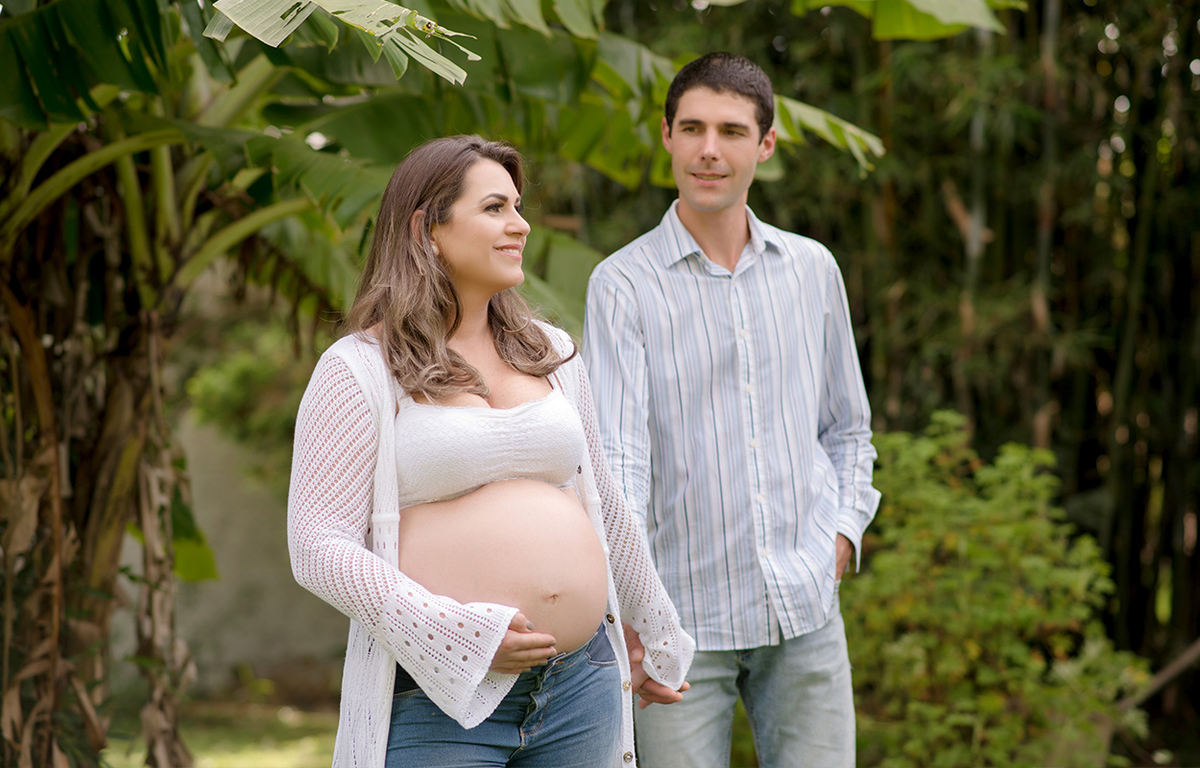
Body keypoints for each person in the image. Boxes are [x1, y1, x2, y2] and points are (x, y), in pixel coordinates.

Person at [288, 135, 694, 768]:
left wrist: (651, 627)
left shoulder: (552, 352)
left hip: (580, 686)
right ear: (427, 228)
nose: (521, 225)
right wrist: (456, 637)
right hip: (440, 697)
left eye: (518, 206)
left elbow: (603, 499)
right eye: (495, 208)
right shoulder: (359, 370)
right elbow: (317, 546)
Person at [582, 53, 880, 768]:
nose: (709, 149)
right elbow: (617, 464)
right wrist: (633, 612)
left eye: (731, 131)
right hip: (680, 625)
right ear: (666, 136)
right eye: (692, 128)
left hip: (805, 608)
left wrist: (839, 537)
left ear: (765, 145)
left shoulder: (813, 270)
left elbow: (848, 428)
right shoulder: (621, 284)